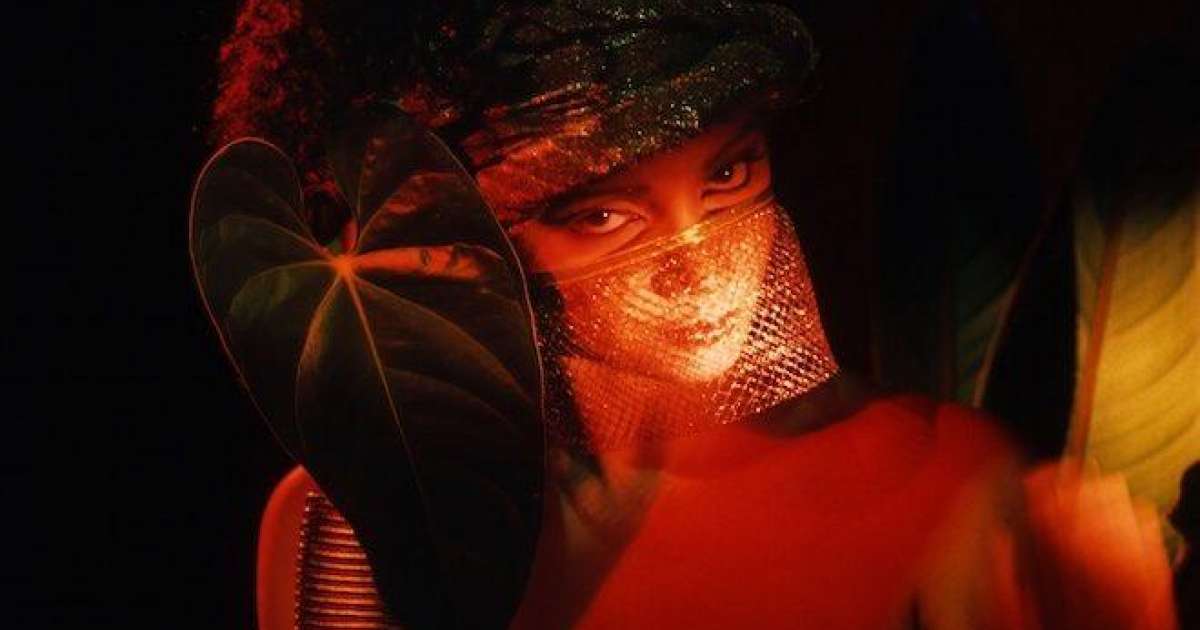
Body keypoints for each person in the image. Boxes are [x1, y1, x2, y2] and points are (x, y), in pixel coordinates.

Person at [198, 1, 1179, 628]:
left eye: (729, 171)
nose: (699, 259)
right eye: (600, 213)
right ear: (429, 229)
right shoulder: (342, 531)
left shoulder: (946, 485)